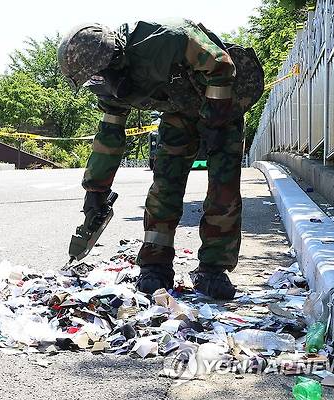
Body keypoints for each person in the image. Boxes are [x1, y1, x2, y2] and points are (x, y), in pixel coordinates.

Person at [58, 19, 263, 299]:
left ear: (115, 59)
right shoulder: (107, 85)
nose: (98, 84)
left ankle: (213, 269)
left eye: (98, 76)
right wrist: (96, 191)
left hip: (221, 100)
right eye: (92, 80)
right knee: (165, 183)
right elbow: (109, 137)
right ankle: (155, 264)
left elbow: (222, 65)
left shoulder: (167, 39)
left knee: (223, 185)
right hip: (178, 111)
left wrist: (216, 121)